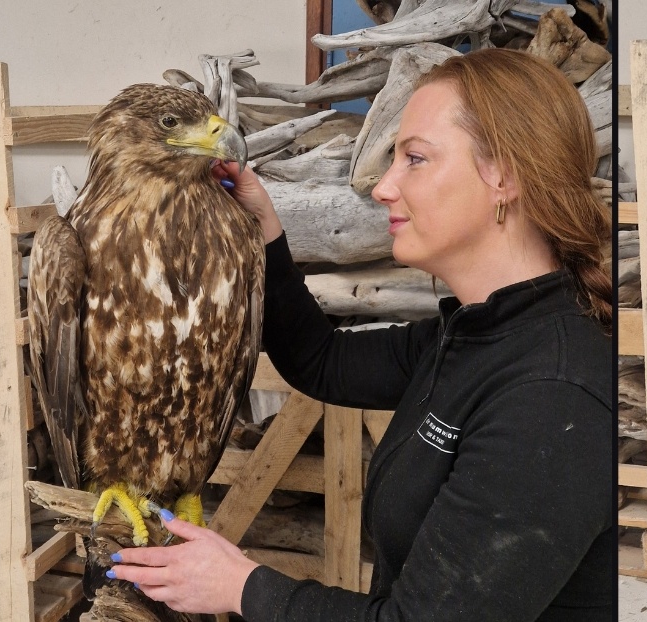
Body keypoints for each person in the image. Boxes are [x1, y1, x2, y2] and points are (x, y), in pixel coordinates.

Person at [107, 47, 617, 620]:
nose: (382, 187)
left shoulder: (552, 397)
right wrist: (266, 231)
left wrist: (242, 587)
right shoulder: (474, 336)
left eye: (414, 159)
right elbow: (320, 360)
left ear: (504, 176)